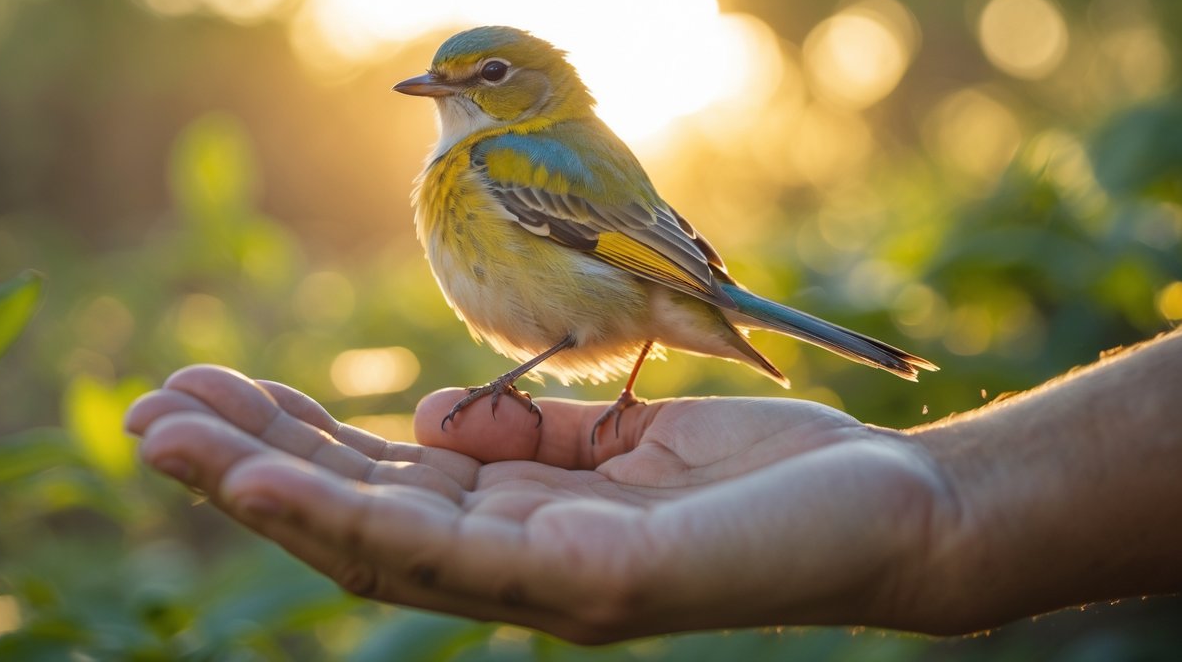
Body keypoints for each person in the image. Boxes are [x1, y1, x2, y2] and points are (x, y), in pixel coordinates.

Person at [124, 329, 1182, 645]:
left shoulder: (502, 165)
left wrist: (941, 495)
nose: (444, 95)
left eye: (475, 76)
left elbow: (594, 293)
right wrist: (943, 490)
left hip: (620, 301)